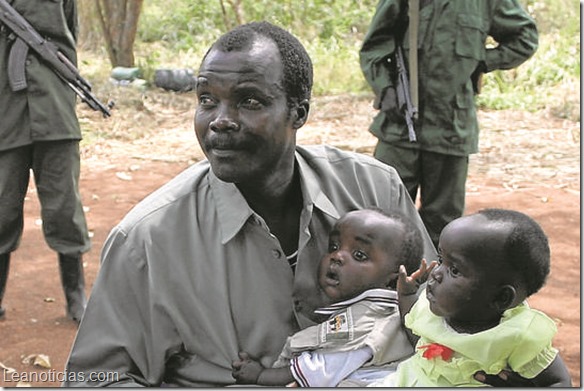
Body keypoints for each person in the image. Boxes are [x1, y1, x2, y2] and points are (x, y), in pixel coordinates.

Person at [62, 21, 437, 387]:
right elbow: (93, 380)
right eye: (207, 100)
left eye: (249, 101)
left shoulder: (374, 189)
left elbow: (442, 312)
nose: (220, 121)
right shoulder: (147, 239)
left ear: (299, 112)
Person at [359, 0, 539, 247]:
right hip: (399, 126)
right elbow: (374, 45)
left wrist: (482, 61)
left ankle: (429, 283)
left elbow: (524, 38)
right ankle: (381, 285)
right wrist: (385, 87)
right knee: (380, 216)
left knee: (442, 225)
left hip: (451, 127)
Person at [370, 208, 573, 387]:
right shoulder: (437, 308)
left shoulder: (518, 337)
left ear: (500, 298)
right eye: (441, 260)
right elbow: (417, 334)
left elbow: (558, 381)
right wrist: (406, 294)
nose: (436, 274)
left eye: (455, 270)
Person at [231, 208, 434, 387]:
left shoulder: (370, 322)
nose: (337, 256)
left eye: (359, 255)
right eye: (334, 247)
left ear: (391, 281)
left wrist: (261, 375)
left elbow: (320, 371)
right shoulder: (379, 311)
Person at [0, 0, 90, 322]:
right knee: (1, 207)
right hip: (3, 110)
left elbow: (70, 37)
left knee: (65, 206)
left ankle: (76, 295)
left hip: (54, 107)